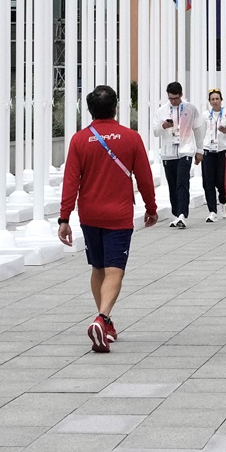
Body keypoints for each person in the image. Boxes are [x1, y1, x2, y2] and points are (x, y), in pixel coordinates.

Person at [57, 86, 158, 353]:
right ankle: (101, 318)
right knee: (115, 270)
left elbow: (70, 181)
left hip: (89, 213)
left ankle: (106, 321)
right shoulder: (130, 137)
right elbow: (144, 177)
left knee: (98, 268)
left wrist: (64, 218)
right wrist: (151, 207)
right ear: (116, 106)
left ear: (89, 110)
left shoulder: (80, 140)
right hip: (118, 213)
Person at [154, 82, 206, 228]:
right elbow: (155, 131)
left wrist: (199, 151)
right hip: (168, 152)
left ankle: (183, 214)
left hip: (186, 150)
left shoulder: (190, 108)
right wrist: (163, 126)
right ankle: (176, 214)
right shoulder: (162, 110)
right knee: (172, 184)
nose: (173, 101)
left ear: (181, 95)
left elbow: (198, 129)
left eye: (175, 98)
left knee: (182, 182)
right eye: (170, 98)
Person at [197, 89, 226, 223]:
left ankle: (223, 202)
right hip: (208, 150)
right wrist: (199, 150)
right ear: (209, 101)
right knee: (208, 182)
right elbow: (201, 133)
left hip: (222, 150)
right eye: (212, 99)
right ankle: (212, 210)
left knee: (222, 181)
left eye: (217, 99)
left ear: (221, 100)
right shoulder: (205, 115)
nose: (215, 101)